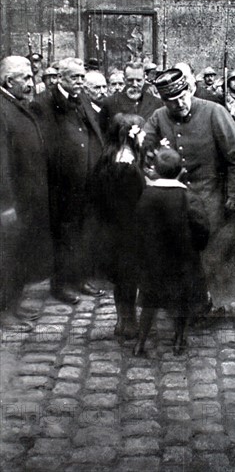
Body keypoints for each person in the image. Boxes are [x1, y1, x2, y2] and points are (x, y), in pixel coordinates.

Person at [143, 68, 235, 315]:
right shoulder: (158, 117)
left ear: (189, 90)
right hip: (179, 196)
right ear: (163, 101)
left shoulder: (213, 112)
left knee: (213, 251)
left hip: (213, 194)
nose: (179, 105)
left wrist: (234, 194)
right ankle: (188, 299)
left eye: (182, 97)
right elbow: (144, 146)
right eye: (171, 102)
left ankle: (214, 300)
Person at [33, 57, 105, 304]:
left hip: (87, 179)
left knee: (83, 230)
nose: (80, 82)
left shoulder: (82, 97)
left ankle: (79, 277)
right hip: (62, 183)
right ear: (61, 77)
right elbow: (43, 146)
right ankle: (61, 284)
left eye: (82, 77)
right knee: (63, 233)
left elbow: (92, 130)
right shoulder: (44, 103)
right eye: (75, 77)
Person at [133, 148, 211, 356]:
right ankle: (178, 341)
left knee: (149, 304)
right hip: (182, 262)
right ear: (181, 171)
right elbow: (201, 227)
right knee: (181, 303)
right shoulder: (188, 197)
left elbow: (138, 226)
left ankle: (140, 343)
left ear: (156, 170)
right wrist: (198, 246)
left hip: (153, 262)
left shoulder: (147, 195)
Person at [0, 56, 53, 331]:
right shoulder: (2, 109)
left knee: (19, 255)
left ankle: (13, 304)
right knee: (7, 257)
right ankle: (4, 311)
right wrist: (6, 205)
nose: (32, 84)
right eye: (27, 79)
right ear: (10, 81)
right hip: (11, 205)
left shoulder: (15, 105)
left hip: (27, 201)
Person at [90, 113, 146, 339]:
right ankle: (130, 321)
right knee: (129, 278)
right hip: (129, 231)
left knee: (121, 278)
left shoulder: (107, 157)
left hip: (110, 229)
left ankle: (121, 320)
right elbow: (137, 199)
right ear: (130, 136)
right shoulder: (128, 166)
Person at [99, 61, 161, 136]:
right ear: (124, 79)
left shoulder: (157, 103)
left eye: (138, 80)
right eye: (130, 80)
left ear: (144, 78)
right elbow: (102, 133)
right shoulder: (109, 103)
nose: (135, 84)